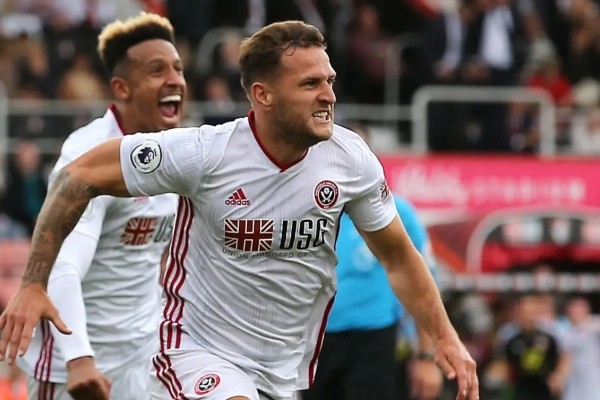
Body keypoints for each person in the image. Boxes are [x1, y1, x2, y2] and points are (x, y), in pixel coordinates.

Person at [0, 21, 477, 400]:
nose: (329, 96)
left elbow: (400, 257)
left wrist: (443, 336)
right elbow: (77, 176)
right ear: (263, 95)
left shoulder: (351, 160)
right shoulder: (206, 154)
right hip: (192, 352)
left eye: (329, 81)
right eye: (310, 84)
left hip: (280, 369)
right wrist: (35, 282)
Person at [13, 12, 186, 400]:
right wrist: (79, 359)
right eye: (157, 70)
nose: (175, 80)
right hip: (74, 368)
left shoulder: (178, 155)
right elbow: (63, 263)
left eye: (178, 68)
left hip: (142, 360)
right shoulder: (89, 155)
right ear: (122, 88)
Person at [301, 126, 443, 400]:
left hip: (374, 340)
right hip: (315, 341)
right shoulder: (308, 211)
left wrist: (427, 355)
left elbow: (423, 283)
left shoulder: (395, 212)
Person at [485, 294, 568, 400]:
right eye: (524, 312)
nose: (528, 316)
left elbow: (565, 356)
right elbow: (502, 361)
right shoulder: (508, 334)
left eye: (531, 312)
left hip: (546, 388)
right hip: (520, 387)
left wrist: (559, 375)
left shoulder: (551, 331)